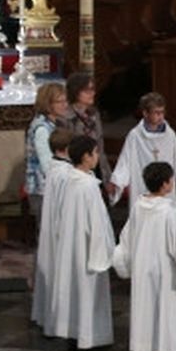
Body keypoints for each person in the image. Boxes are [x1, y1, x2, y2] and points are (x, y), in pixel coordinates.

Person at [111, 161, 176, 351]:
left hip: (143, 270)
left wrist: (124, 261)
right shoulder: (168, 213)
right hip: (165, 272)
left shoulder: (138, 207)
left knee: (147, 310)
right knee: (167, 312)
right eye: (171, 179)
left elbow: (126, 239)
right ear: (165, 185)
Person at [38, 135, 115, 351]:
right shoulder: (88, 186)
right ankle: (89, 338)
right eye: (95, 152)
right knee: (88, 291)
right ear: (86, 157)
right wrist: (107, 250)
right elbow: (97, 224)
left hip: (72, 245)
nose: (98, 156)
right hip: (88, 248)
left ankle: (74, 333)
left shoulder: (72, 180)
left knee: (74, 290)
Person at [109, 93, 176, 210]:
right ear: (145, 113)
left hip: (165, 189)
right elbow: (125, 162)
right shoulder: (135, 136)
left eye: (162, 112)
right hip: (142, 188)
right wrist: (117, 181)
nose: (161, 116)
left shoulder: (169, 135)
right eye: (157, 113)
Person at [30, 128, 77, 327]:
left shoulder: (54, 169)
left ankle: (48, 315)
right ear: (67, 149)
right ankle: (59, 319)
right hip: (61, 232)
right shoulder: (66, 175)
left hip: (52, 230)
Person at [24, 81, 69, 219]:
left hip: (53, 187)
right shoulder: (42, 129)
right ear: (48, 104)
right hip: (42, 189)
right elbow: (47, 164)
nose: (65, 105)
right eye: (60, 102)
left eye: (65, 101)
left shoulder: (54, 124)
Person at [64, 72, 112, 187]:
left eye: (93, 89)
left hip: (96, 167)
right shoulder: (66, 118)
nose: (92, 93)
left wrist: (107, 177)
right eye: (87, 90)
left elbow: (100, 147)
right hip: (77, 171)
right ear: (75, 92)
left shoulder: (94, 114)